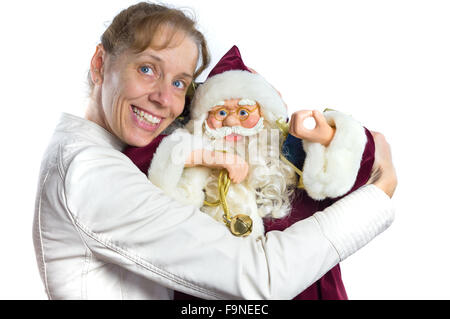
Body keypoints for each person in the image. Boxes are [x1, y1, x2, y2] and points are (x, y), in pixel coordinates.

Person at [33, 2, 397, 300]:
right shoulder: (92, 174)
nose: (164, 99)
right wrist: (379, 195)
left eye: (179, 82)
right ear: (100, 64)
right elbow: (259, 279)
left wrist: (248, 99)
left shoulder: (111, 153)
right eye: (147, 69)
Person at [123, 46, 379, 299]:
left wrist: (326, 135)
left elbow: (364, 167)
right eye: (220, 113)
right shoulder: (192, 162)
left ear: (266, 116)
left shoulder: (290, 156)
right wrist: (212, 156)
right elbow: (138, 160)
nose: (232, 123)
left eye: (244, 112)